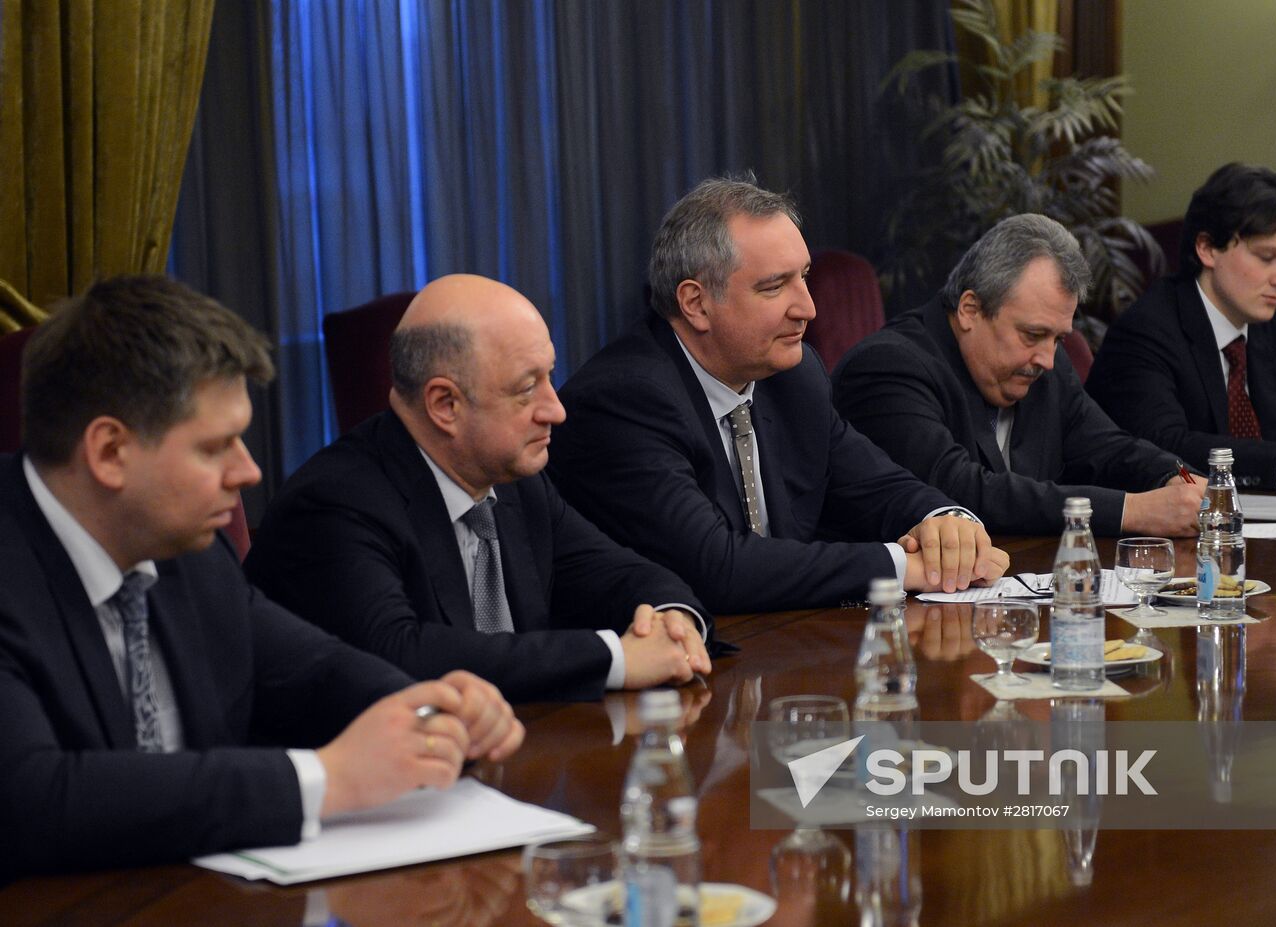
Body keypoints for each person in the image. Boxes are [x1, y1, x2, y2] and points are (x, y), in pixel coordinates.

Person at [0, 276, 523, 876]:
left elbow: (310, 668)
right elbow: (33, 798)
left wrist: (425, 713)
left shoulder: (186, 549)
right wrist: (326, 779)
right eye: (215, 446)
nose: (248, 471)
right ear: (110, 453)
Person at [548, 176, 1010, 613]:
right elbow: (718, 567)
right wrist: (907, 566)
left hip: (777, 648)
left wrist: (948, 525)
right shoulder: (624, 401)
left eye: (804, 277)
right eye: (774, 287)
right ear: (696, 303)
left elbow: (880, 487)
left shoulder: (793, 376)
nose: (807, 308)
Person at [245, 275, 711, 703]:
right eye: (527, 389)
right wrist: (615, 657)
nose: (556, 409)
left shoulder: (514, 479)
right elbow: (402, 655)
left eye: (550, 376)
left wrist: (673, 619)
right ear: (444, 404)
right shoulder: (335, 504)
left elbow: (613, 570)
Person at [832, 214, 1205, 537]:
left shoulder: (1045, 365)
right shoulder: (888, 367)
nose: (1046, 358)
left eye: (1058, 338)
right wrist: (1133, 511)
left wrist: (1183, 481)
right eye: (1032, 334)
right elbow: (958, 491)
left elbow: (1112, 448)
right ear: (970, 309)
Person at [1086, 163, 1276, 489]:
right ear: (1207, 248)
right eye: (1267, 257)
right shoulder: (1147, 329)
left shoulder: (1275, 326)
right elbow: (1164, 446)